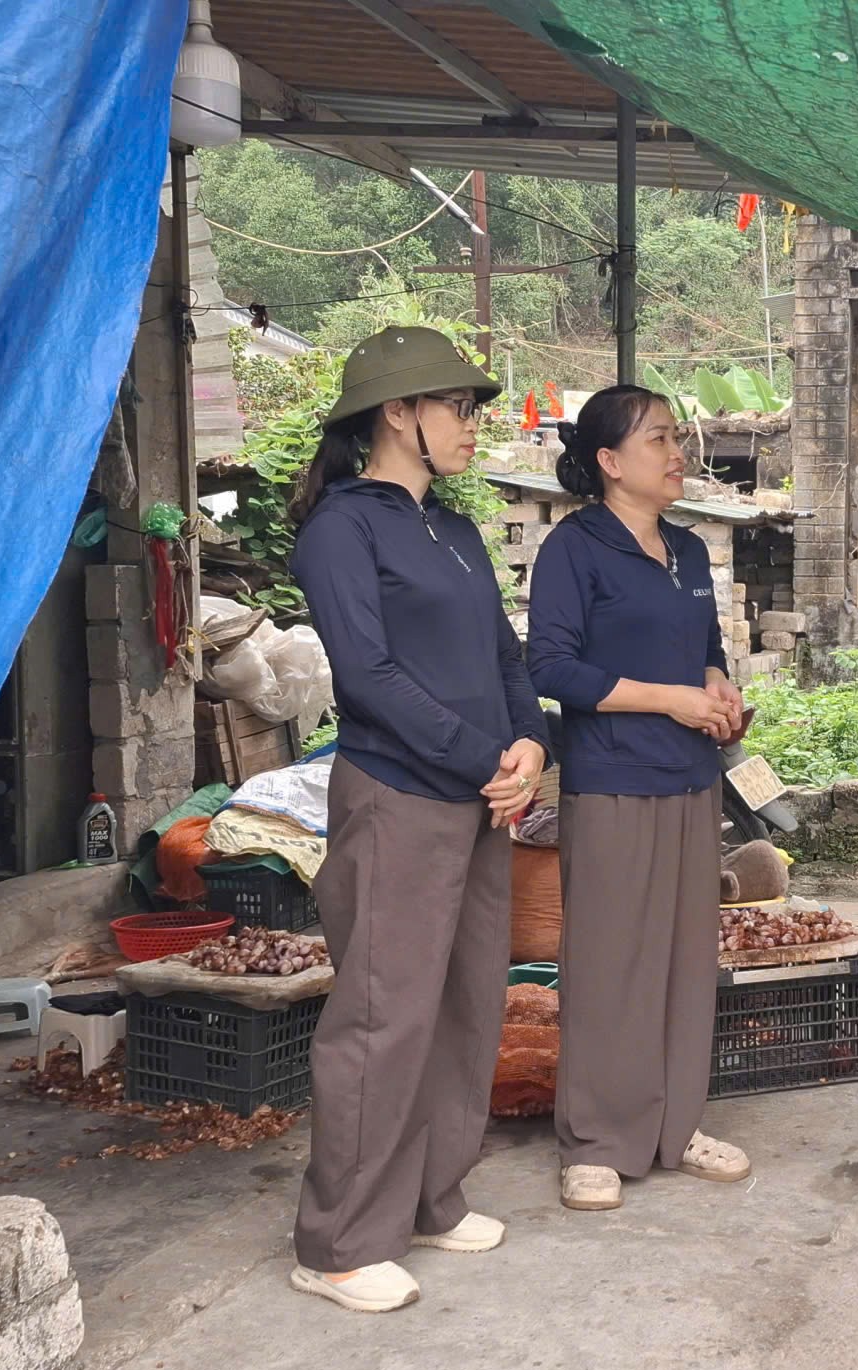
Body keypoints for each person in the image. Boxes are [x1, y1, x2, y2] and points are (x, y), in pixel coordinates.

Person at [286, 326, 551, 1314]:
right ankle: (340, 1239)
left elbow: (505, 658)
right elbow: (369, 678)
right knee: (379, 1020)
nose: (475, 426)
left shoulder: (453, 529)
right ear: (399, 413)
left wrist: (531, 747)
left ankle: (432, 1197)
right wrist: (485, 757)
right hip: (399, 796)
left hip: (480, 802)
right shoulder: (343, 530)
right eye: (460, 408)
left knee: (465, 1006)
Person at [527, 386, 750, 1213]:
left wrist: (717, 687)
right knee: (610, 962)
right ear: (611, 463)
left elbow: (709, 647)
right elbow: (549, 668)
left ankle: (674, 1125)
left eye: (674, 436)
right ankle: (595, 1140)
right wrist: (669, 700)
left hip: (692, 779)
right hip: (614, 777)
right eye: (657, 439)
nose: (675, 450)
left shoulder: (689, 551)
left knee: (686, 960)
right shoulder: (573, 551)